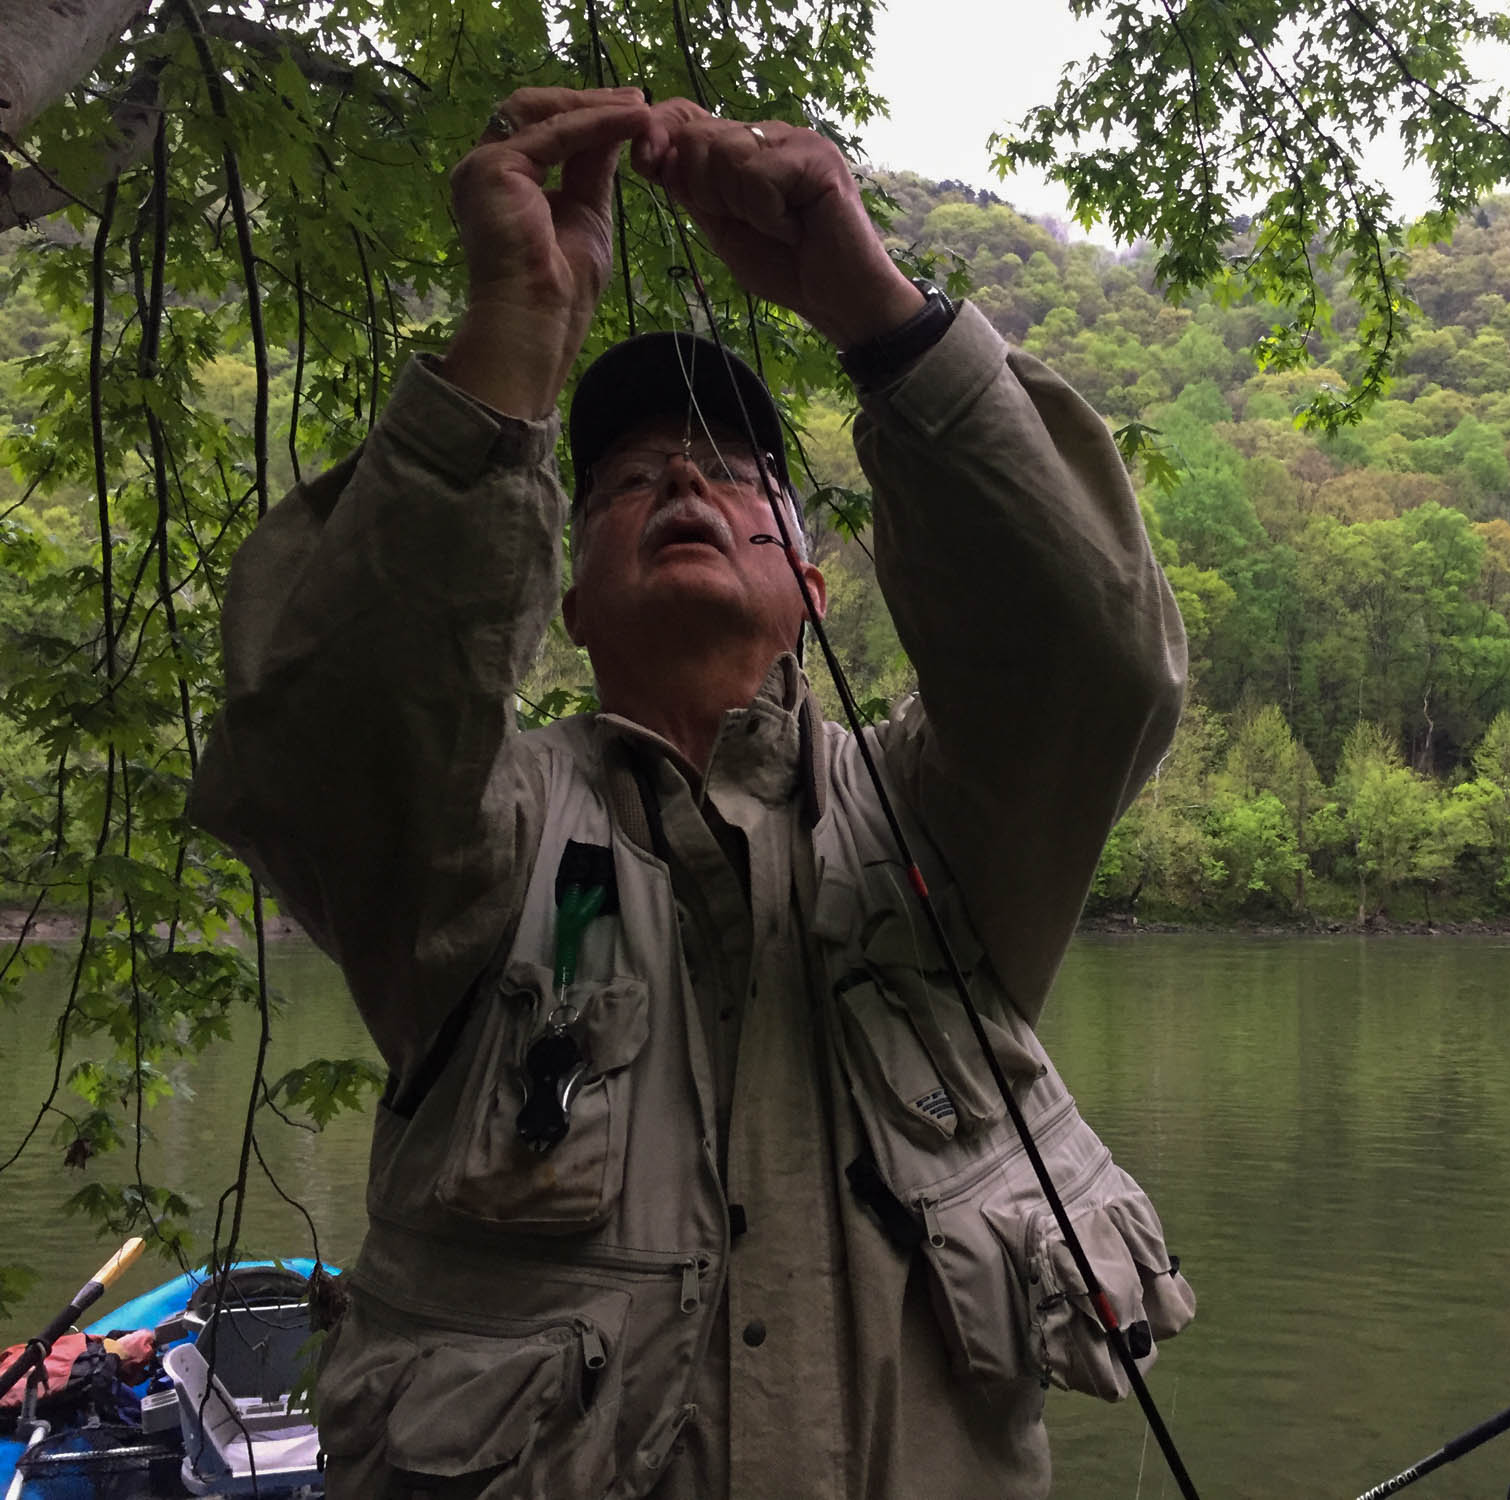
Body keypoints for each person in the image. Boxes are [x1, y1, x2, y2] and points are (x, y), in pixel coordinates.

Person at [192, 86, 1194, 1499]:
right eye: (622, 481)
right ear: (569, 601)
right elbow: (325, 736)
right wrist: (516, 331)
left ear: (814, 584)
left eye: (734, 472)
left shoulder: (943, 824)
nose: (680, 480)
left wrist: (878, 313)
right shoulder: (485, 841)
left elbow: (1096, 662)